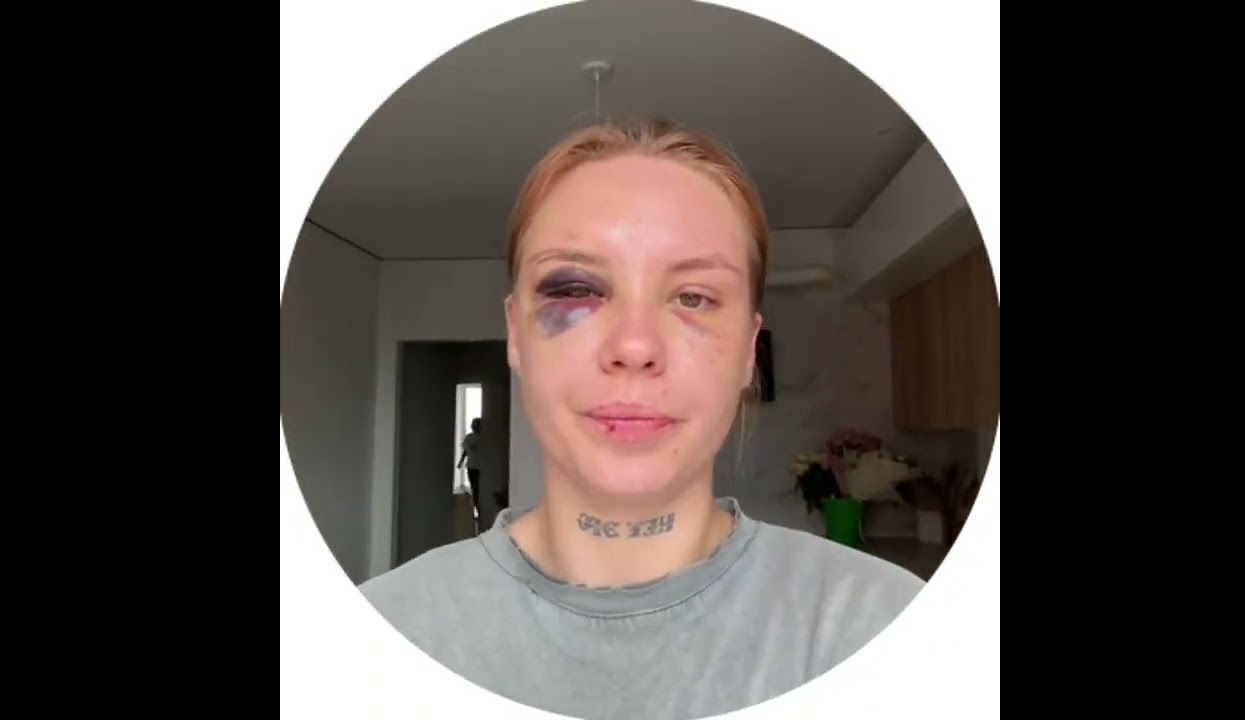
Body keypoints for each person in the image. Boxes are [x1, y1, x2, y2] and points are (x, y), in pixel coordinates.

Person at [359, 115, 926, 720]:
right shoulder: (372, 642)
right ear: (516, 336)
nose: (634, 346)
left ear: (747, 350)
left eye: (694, 297)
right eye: (574, 290)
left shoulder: (891, 630)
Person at [456, 417, 483, 517]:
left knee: (477, 488)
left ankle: (478, 508)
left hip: (479, 466)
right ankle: (477, 508)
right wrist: (461, 462)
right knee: (475, 488)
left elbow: (465, 452)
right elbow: (465, 452)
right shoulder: (470, 438)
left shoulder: (481, 438)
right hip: (472, 466)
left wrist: (461, 462)